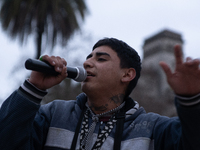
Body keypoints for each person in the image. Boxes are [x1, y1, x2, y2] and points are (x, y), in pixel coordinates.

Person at [0, 38, 200, 150]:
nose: (87, 63)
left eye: (101, 59)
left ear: (127, 74)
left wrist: (191, 101)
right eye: (88, 57)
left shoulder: (154, 129)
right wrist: (33, 88)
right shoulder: (52, 114)